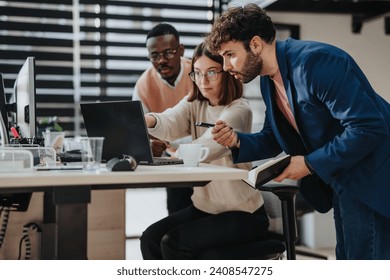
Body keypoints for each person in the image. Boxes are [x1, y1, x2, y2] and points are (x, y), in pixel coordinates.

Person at [206, 4, 390, 260]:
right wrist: (237, 141)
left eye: (230, 54)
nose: (226, 66)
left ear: (256, 44)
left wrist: (309, 164)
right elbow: (273, 136)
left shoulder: (316, 62)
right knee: (348, 257)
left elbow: (367, 127)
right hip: (342, 177)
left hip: (372, 174)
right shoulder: (268, 79)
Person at [140, 42, 269, 260]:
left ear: (227, 72)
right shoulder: (194, 104)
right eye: (197, 73)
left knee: (175, 244)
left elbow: (211, 146)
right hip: (205, 208)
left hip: (243, 214)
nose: (203, 81)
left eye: (211, 72)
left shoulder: (239, 109)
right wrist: (149, 120)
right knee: (150, 239)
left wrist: (176, 154)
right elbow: (170, 121)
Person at [133, 23, 193, 214]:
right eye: (155, 56)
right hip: (172, 162)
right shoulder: (143, 84)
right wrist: (147, 146)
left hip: (205, 154)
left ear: (181, 50)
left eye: (168, 53)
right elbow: (136, 131)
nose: (161, 61)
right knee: (176, 214)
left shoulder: (199, 74)